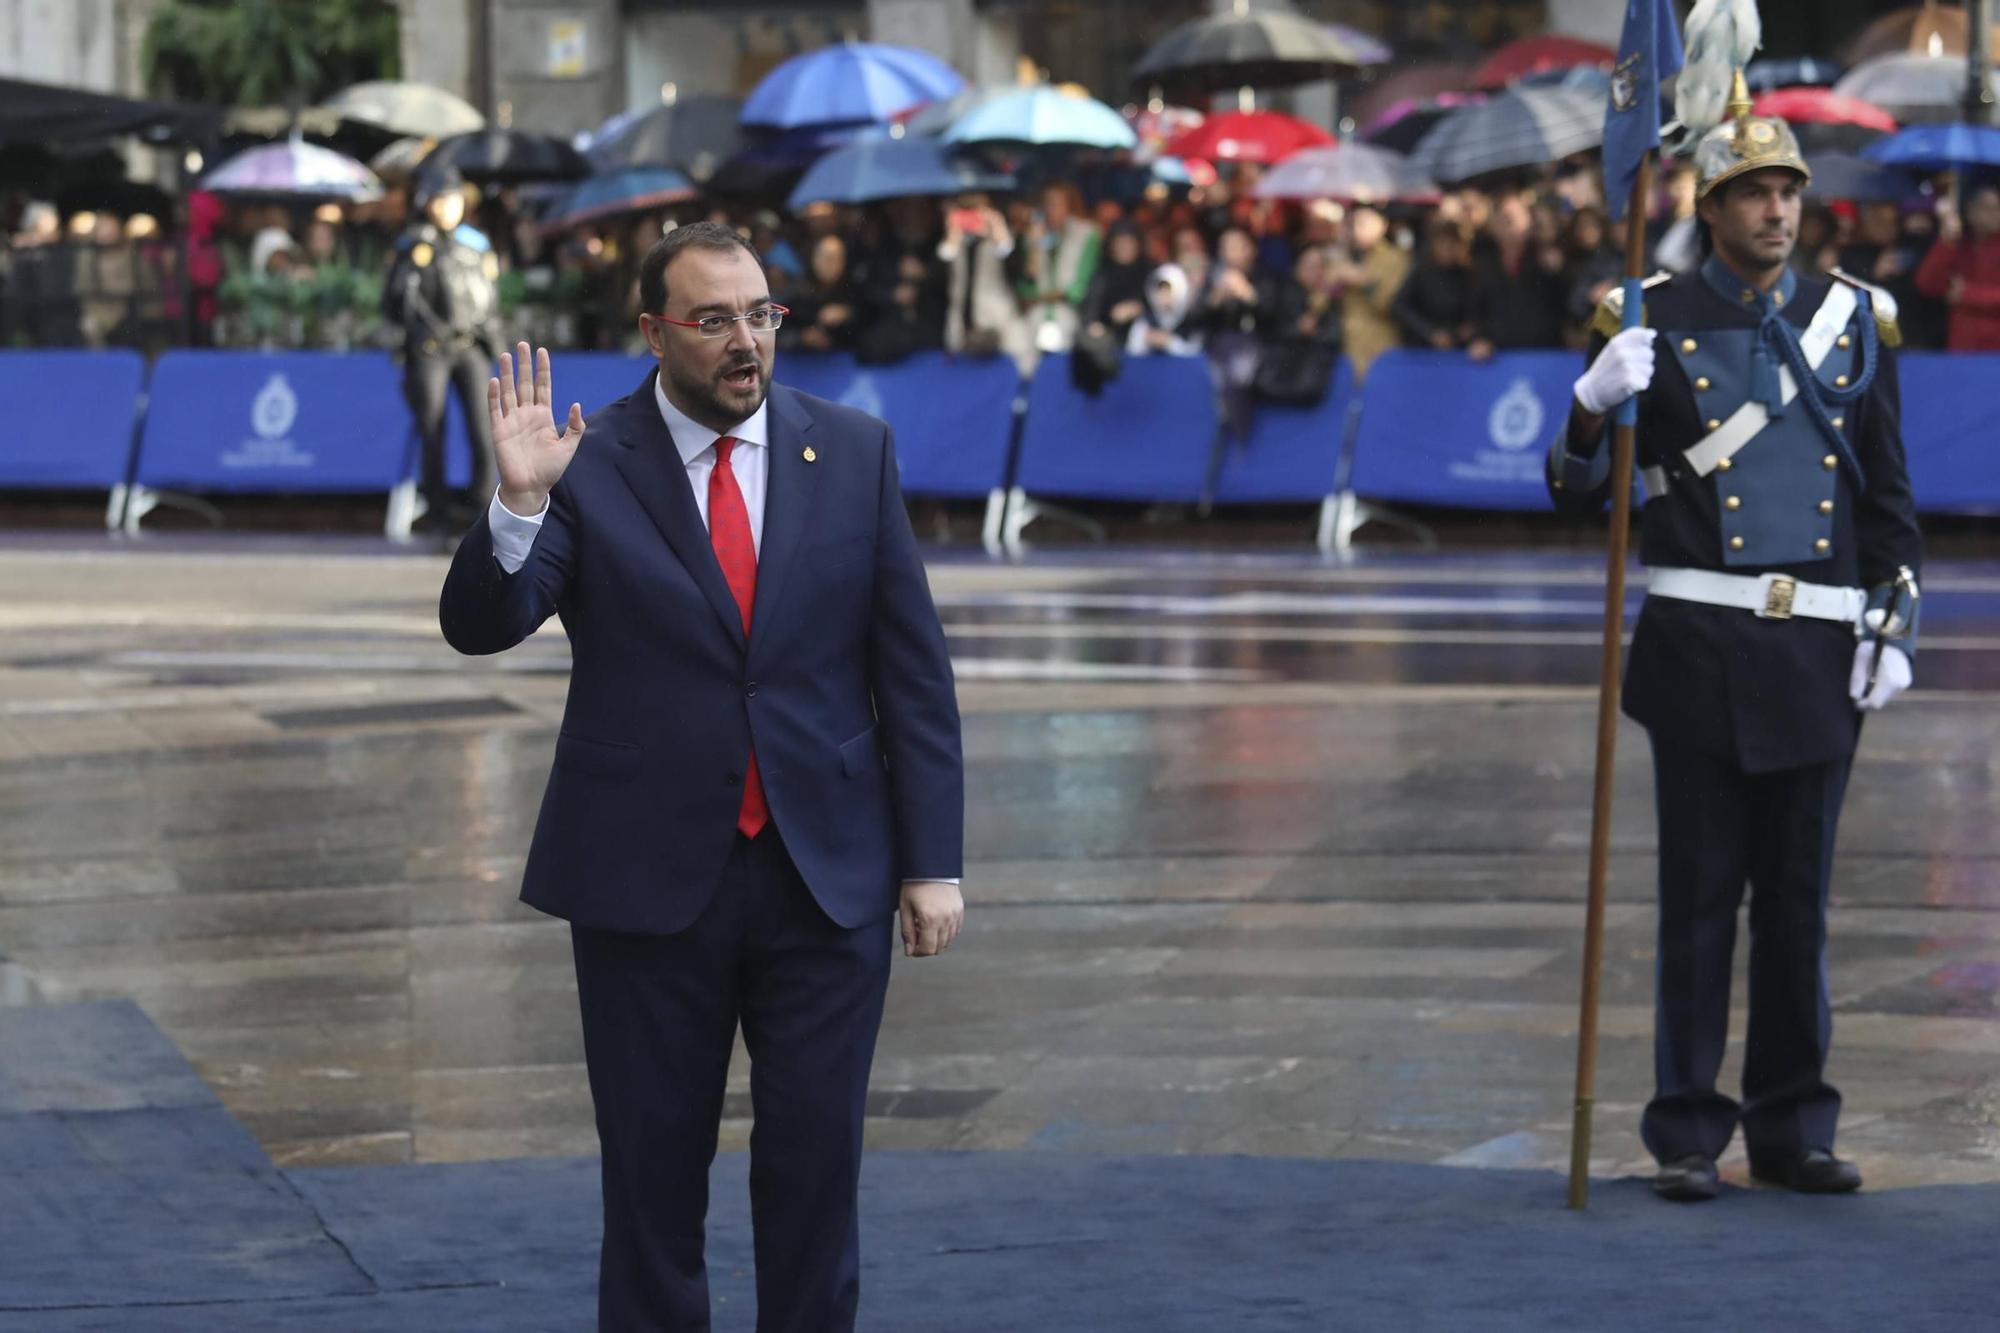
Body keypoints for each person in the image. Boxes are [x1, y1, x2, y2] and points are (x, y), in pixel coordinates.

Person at [438, 221, 965, 1330]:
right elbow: (483, 627)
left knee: (816, 1172)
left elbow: (908, 672)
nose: (746, 343)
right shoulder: (589, 462)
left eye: (761, 315)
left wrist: (932, 864)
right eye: (714, 319)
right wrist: (521, 503)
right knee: (650, 1181)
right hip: (644, 878)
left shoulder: (854, 451)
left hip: (825, 876)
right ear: (654, 331)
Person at [1547, 99, 1922, 1204]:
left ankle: (1792, 1126)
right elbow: (1577, 498)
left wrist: (1891, 619)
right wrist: (1585, 407)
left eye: (1789, 191)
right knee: (1698, 898)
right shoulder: (1641, 316)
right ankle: (1684, 1129)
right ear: (1707, 207)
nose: (1777, 209)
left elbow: (1888, 501)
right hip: (1697, 643)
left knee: (1798, 902)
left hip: (1813, 648)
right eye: (1753, 192)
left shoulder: (1854, 318)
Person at [384, 164, 501, 538]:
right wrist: (411, 266)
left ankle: (485, 512)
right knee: (432, 430)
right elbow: (393, 302)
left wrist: (493, 341)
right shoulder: (412, 244)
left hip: (469, 345)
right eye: (438, 200)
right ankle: (439, 517)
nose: (444, 207)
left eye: (450, 200)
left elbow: (489, 299)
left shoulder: (475, 243)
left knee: (483, 431)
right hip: (430, 348)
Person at [938, 192, 1033, 373]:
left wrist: (1000, 237)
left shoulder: (1007, 241)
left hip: (1000, 329)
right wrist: (951, 241)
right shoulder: (952, 243)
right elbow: (936, 280)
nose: (973, 216)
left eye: (979, 210)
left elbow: (1020, 276)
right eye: (967, 210)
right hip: (960, 333)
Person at [1466, 194, 1568, 359]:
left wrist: (1555, 270)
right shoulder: (1484, 261)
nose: (1508, 223)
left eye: (1513, 217)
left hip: (1542, 354)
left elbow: (1563, 301)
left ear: (1528, 222)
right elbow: (1477, 308)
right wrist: (1479, 338)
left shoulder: (1543, 255)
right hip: (1498, 356)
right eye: (1503, 217)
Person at [1914, 182, 2000, 351]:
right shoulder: (1957, 243)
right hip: (1962, 346)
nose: (1994, 214)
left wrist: (1968, 294)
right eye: (1986, 208)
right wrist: (1946, 242)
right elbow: (1927, 284)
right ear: (1970, 211)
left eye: (1997, 208)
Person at [1019, 181, 1101, 355]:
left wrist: (1049, 295)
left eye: (1057, 203)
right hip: (1036, 315)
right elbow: (1025, 286)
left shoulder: (1087, 235)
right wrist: (1034, 248)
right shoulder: (1032, 236)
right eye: (1047, 203)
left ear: (1070, 205)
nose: (1051, 209)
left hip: (1071, 314)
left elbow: (1080, 286)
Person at [1329, 204, 1409, 381]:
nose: (1356, 229)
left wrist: (1364, 281)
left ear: (1382, 225)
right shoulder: (1340, 256)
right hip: (1344, 345)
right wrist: (1331, 285)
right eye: (1352, 223)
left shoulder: (1396, 259)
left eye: (1363, 223)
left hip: (1380, 345)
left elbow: (1392, 304)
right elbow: (1318, 302)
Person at [1393, 217, 1474, 353]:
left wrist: (1466, 329)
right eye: (1442, 243)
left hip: (1457, 349)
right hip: (1422, 349)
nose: (1447, 248)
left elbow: (1473, 311)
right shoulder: (1421, 271)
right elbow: (1400, 306)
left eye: (1453, 243)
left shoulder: (1466, 274)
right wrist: (1430, 333)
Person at [777, 232, 858, 354]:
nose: (829, 264)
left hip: (842, 363)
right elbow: (775, 331)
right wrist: (802, 337)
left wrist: (847, 314)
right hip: (800, 363)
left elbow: (867, 327)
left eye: (835, 258)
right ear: (814, 258)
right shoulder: (796, 292)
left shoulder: (854, 291)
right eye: (825, 257)